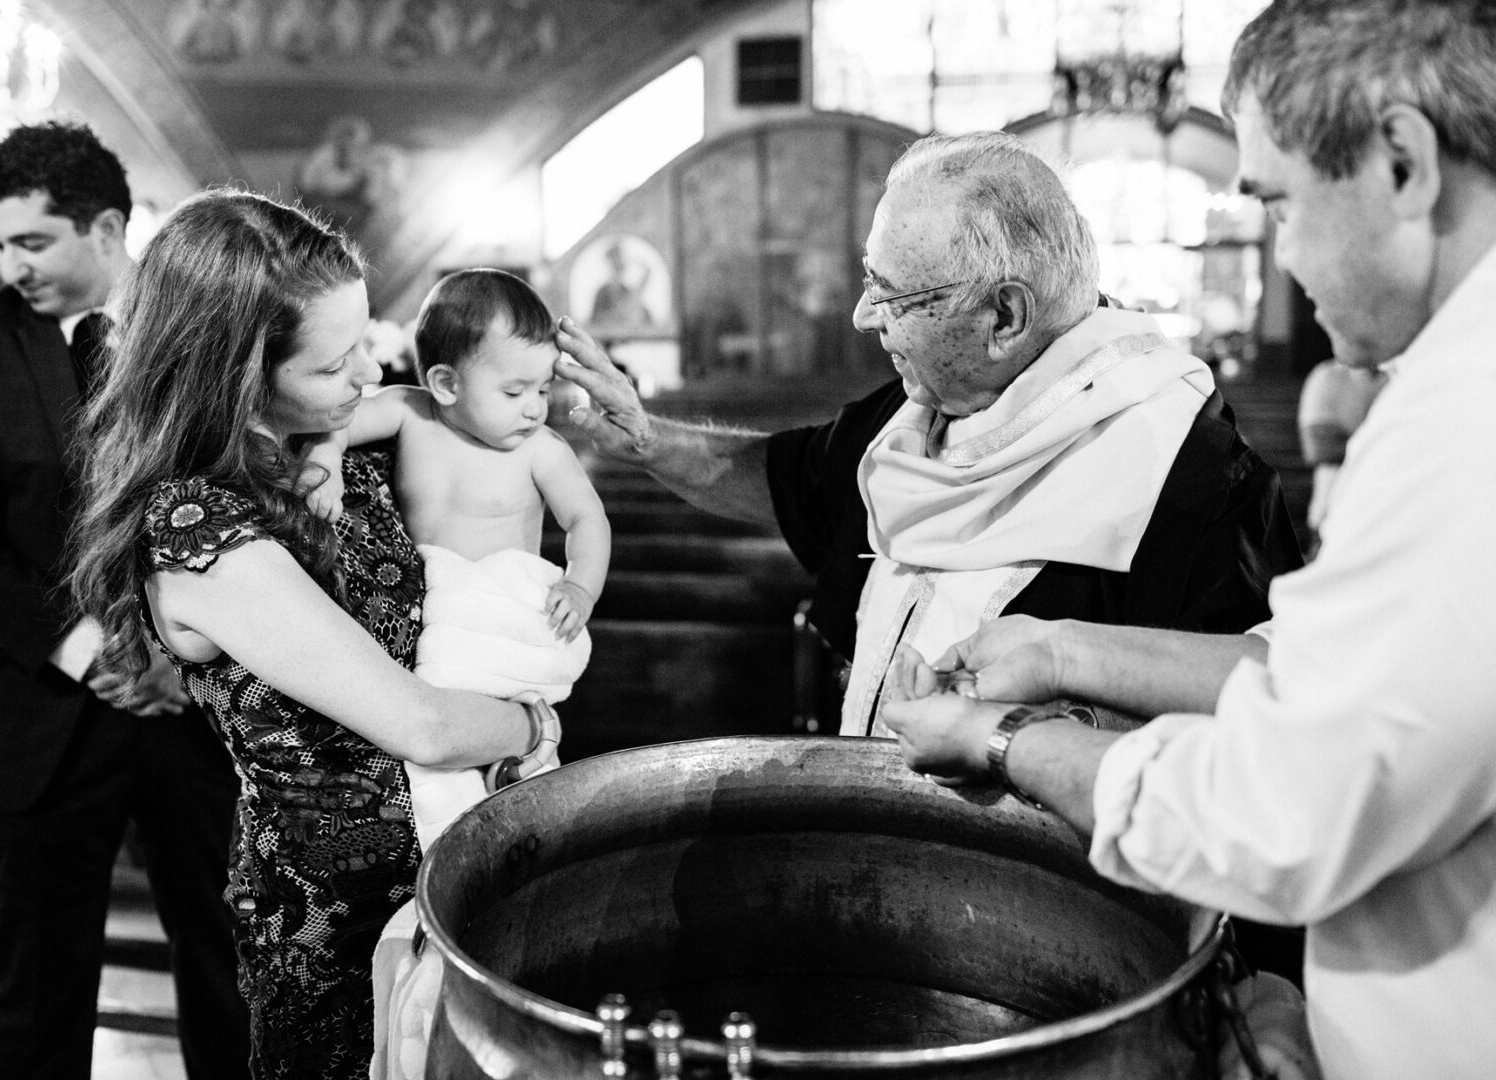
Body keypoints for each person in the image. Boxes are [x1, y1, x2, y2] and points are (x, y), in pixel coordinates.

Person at [878, 2, 1496, 1077]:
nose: (1284, 255)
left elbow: (1278, 811)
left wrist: (1007, 740)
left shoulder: (1466, 416)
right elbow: (1309, 673)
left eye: (1282, 205)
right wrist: (1064, 648)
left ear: (1402, 161)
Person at [554, 129, 1305, 984]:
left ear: (1005, 315)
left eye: (891, 293)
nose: (862, 316)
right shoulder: (913, 414)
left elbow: (1271, 752)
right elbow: (787, 482)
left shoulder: (1194, 479)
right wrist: (646, 439)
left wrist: (1268, 982)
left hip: (1067, 941)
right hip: (878, 878)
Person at [64, 190, 551, 1079]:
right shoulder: (195, 529)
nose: (367, 373)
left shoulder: (333, 448)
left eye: (366, 339)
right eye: (333, 366)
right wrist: (536, 728)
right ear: (237, 377)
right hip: (338, 922)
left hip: (461, 867)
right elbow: (422, 727)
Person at [0, 121, 248, 1080]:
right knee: (35, 983)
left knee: (233, 967)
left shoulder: (200, 333)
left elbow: (246, 500)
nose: (11, 265)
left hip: (202, 707)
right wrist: (98, 651)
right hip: (44, 707)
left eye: (33, 241)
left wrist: (180, 649)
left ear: (104, 227)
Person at [306, 266, 608, 850]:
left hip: (501, 612)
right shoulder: (409, 413)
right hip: (434, 612)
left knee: (508, 777)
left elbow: (585, 519)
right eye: (514, 392)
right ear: (446, 384)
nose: (534, 409)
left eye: (543, 390)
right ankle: (449, 847)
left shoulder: (540, 451)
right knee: (443, 774)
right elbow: (337, 425)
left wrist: (581, 588)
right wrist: (325, 467)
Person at [1296, 357, 1386, 555]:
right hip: (1331, 512)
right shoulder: (1329, 376)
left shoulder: (1408, 375)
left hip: (1389, 519)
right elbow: (1319, 449)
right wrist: (1389, 441)